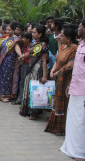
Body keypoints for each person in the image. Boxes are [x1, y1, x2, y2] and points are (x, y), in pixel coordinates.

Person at [45, 28, 78, 135]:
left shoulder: (75, 49)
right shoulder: (64, 46)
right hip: (58, 78)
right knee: (58, 101)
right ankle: (56, 127)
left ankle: (63, 128)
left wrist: (56, 72)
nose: (60, 37)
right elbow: (58, 58)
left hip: (67, 79)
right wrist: (53, 70)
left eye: (62, 36)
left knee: (65, 102)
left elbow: (69, 66)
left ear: (68, 38)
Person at [60, 19, 85, 161]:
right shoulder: (81, 45)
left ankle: (80, 153)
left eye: (81, 26)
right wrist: (70, 83)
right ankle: (72, 148)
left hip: (83, 91)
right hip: (76, 88)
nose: (78, 28)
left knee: (81, 121)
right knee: (74, 121)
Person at [19, 25, 49, 120]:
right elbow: (30, 53)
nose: (32, 34)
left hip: (37, 69)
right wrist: (22, 56)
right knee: (28, 87)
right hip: (30, 68)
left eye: (34, 32)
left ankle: (34, 112)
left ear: (40, 34)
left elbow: (44, 61)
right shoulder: (33, 43)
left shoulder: (43, 45)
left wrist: (44, 75)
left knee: (35, 90)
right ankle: (27, 109)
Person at [0, 23, 22, 102]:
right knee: (1, 76)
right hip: (3, 60)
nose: (8, 31)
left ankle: (5, 95)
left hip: (10, 60)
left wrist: (21, 56)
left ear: (13, 30)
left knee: (7, 78)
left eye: (10, 30)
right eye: (7, 30)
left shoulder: (16, 39)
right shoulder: (6, 38)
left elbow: (17, 49)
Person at [12, 32, 32, 105]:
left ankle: (22, 99)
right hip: (23, 64)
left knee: (23, 82)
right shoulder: (25, 45)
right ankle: (21, 98)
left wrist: (21, 57)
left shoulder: (31, 46)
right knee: (22, 81)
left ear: (28, 39)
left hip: (27, 64)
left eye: (24, 38)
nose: (23, 39)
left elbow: (28, 55)